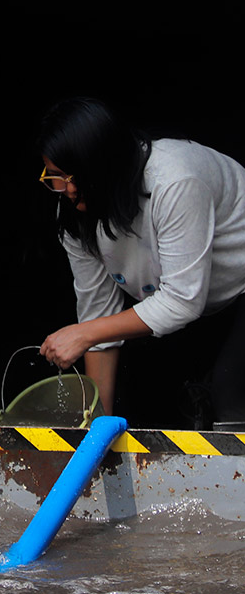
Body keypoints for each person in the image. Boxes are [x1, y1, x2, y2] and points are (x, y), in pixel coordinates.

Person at [38, 97, 245, 427]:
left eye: (76, 176)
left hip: (236, 287)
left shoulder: (174, 182)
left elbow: (181, 301)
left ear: (106, 164)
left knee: (230, 398)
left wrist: (83, 334)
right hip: (190, 302)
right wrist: (95, 425)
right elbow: (98, 315)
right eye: (56, 176)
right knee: (150, 402)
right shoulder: (73, 213)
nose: (68, 189)